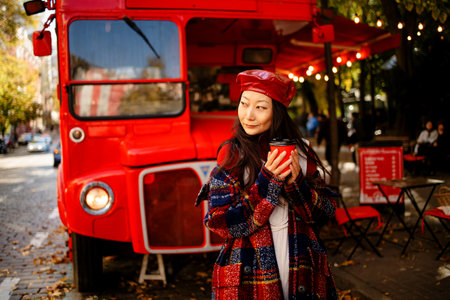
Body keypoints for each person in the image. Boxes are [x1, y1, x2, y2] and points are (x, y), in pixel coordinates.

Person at [195, 70, 337, 299]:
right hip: (248, 273)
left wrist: (296, 183)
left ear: (277, 113)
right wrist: (267, 182)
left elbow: (326, 213)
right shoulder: (232, 157)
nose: (248, 115)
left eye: (260, 107)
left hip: (301, 266)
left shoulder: (301, 153)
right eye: (244, 104)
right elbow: (219, 223)